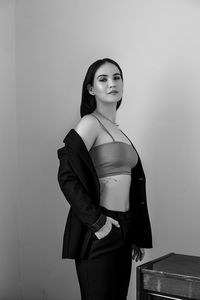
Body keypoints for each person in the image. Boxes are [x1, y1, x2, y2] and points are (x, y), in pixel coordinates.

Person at [57, 58, 152, 300]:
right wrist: (98, 222)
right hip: (99, 228)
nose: (112, 83)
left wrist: (134, 234)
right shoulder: (90, 123)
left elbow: (131, 186)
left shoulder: (119, 130)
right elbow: (67, 176)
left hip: (124, 229)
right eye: (103, 79)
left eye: (117, 77)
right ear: (91, 89)